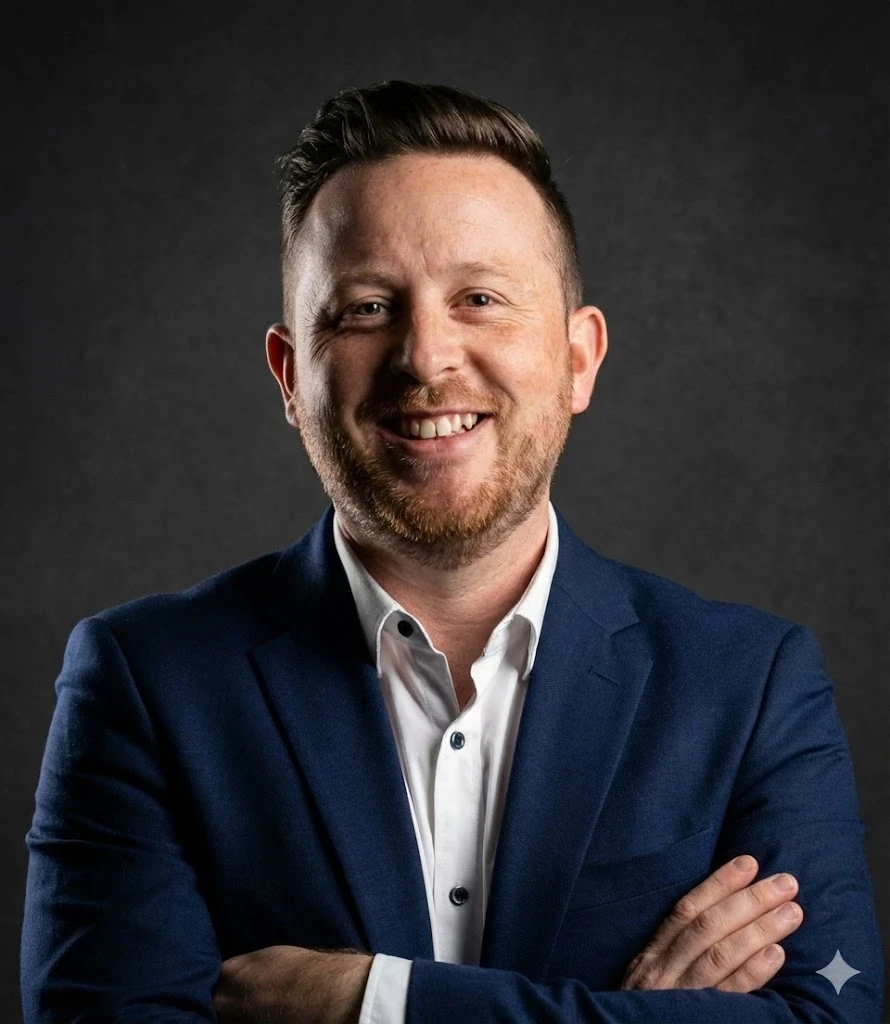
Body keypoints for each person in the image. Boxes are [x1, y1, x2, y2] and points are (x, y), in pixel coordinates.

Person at [20, 80, 883, 1024]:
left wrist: (376, 1002)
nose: (425, 357)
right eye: (364, 308)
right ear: (290, 376)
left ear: (580, 358)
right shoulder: (144, 683)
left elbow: (831, 1015)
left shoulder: (751, 684)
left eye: (479, 298)